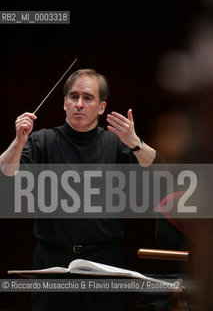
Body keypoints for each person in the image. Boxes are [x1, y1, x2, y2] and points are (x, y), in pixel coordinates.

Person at [0, 69, 159, 311]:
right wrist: (18, 141)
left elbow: (158, 169)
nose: (79, 104)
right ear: (64, 103)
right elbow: (6, 173)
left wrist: (135, 143)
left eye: (88, 98)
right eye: (73, 97)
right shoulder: (42, 140)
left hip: (104, 261)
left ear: (102, 107)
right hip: (52, 261)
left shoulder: (117, 142)